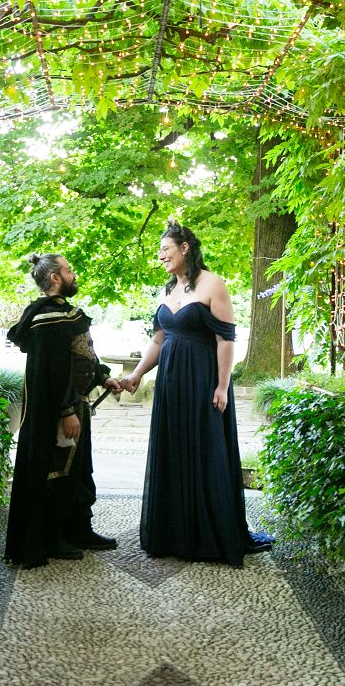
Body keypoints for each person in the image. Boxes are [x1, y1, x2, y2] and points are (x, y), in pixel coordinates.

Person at [119, 221, 273, 566]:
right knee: (173, 448)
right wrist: (137, 374)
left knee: (205, 448)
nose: (161, 256)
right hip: (171, 383)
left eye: (165, 249)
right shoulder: (168, 289)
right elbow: (158, 339)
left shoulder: (213, 284)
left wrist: (222, 385)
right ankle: (173, 533)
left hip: (203, 380)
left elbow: (225, 339)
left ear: (184, 247)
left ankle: (207, 535)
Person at [4, 253, 121, 568]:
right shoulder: (48, 320)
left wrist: (103, 378)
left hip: (76, 405)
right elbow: (53, 373)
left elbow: (82, 356)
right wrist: (66, 410)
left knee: (80, 470)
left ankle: (79, 529)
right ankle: (53, 537)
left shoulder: (65, 314)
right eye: (69, 270)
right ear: (55, 277)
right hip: (59, 412)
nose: (73, 274)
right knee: (58, 470)